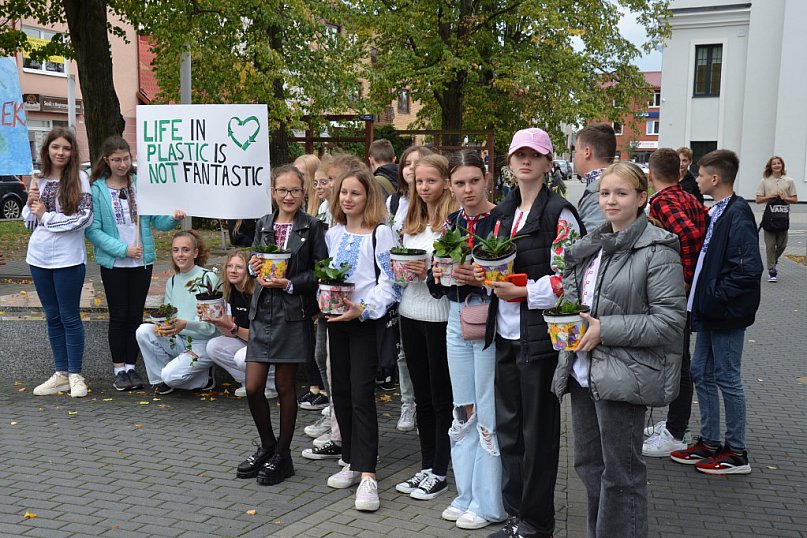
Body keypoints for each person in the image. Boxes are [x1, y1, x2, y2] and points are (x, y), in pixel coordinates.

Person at [551, 161, 687, 537]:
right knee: (589, 466)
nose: (611, 200)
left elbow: (670, 322)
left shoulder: (657, 250)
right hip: (584, 370)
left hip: (626, 377)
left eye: (621, 193)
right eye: (605, 193)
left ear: (641, 198)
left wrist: (604, 330)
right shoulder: (594, 245)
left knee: (622, 476)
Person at [479, 128, 583, 538]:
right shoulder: (504, 214)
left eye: (534, 155)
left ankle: (538, 523)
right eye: (519, 154)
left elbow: (569, 280)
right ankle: (516, 515)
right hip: (504, 333)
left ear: (546, 163)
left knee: (537, 435)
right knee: (509, 430)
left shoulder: (559, 213)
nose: (526, 161)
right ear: (509, 162)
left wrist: (524, 291)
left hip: (537, 338)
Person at [670, 149, 763, 475]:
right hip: (709, 312)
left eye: (700, 174)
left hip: (724, 314)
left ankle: (736, 452)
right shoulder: (717, 212)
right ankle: (709, 442)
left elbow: (747, 270)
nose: (696, 179)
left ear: (715, 178)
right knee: (701, 373)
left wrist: (711, 297)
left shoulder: (737, 214)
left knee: (727, 377)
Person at [237, 165, 327, 486]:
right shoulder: (263, 223)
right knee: (253, 387)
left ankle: (284, 455)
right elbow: (254, 260)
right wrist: (253, 264)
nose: (288, 196)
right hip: (263, 312)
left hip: (292, 312)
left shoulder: (314, 227)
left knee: (287, 388)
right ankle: (268, 446)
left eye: (295, 191)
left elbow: (320, 272)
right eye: (282, 190)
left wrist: (290, 283)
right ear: (273, 193)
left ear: (305, 193)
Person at [429, 149, 505, 530]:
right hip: (456, 322)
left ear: (486, 178)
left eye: (474, 180)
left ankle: (490, 502)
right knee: (464, 410)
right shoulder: (451, 223)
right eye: (459, 183)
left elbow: (511, 277)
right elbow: (435, 283)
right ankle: (466, 493)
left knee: (487, 412)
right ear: (450, 185)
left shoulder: (502, 219)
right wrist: (441, 273)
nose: (467, 189)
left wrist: (482, 279)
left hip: (490, 325)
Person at [324, 167, 398, 512]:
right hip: (336, 320)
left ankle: (368, 473)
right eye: (343, 193)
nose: (348, 199)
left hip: (365, 321)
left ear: (369, 197)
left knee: (360, 394)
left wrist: (365, 309)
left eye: (355, 193)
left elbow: (390, 283)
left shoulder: (380, 233)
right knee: (339, 390)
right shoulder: (334, 233)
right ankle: (351, 460)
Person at [85, 135, 185, 391]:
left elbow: (158, 222)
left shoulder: (141, 185)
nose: (122, 164)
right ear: (106, 160)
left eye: (126, 158)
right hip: (115, 263)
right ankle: (119, 369)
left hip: (141, 263)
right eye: (116, 160)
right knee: (119, 316)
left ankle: (132, 366)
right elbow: (93, 231)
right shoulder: (97, 188)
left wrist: (173, 218)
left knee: (135, 315)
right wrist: (123, 249)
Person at [394, 154, 457, 501]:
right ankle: (426, 465)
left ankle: (440, 470)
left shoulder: (453, 222)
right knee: (421, 397)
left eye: (431, 181)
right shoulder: (413, 219)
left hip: (441, 316)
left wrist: (429, 269)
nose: (425, 187)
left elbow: (453, 271)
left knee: (439, 397)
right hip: (410, 312)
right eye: (419, 182)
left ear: (446, 182)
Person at [642, 148, 706, 457]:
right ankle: (673, 424)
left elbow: (691, 236)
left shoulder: (664, 202)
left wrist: (685, 278)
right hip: (683, 294)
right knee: (678, 359)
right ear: (679, 173)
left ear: (650, 175)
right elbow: (703, 231)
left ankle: (676, 431)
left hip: (677, 295)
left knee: (677, 362)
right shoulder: (690, 198)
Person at [25, 127, 93, 398]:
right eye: (56, 148)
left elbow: (84, 218)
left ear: (72, 152)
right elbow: (30, 223)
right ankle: (60, 374)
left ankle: (76, 374)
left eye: (66, 148)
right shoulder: (38, 179)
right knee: (52, 316)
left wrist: (46, 216)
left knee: (69, 316)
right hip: (38, 257)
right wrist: (29, 204)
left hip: (68, 259)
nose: (61, 152)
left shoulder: (80, 178)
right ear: (47, 150)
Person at [135, 230, 218, 394]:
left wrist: (185, 324)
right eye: (176, 250)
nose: (180, 254)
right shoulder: (172, 281)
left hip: (203, 343)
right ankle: (163, 380)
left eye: (185, 250)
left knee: (170, 375)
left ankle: (203, 378)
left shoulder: (208, 278)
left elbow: (210, 328)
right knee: (143, 331)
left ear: (196, 252)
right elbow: (169, 315)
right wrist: (163, 325)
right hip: (179, 339)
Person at [387, 145, 433, 431]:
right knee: (404, 354)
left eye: (419, 164)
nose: (412, 168)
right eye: (408, 164)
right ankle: (409, 404)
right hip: (403, 291)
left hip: (433, 300)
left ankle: (427, 408)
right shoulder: (395, 203)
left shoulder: (437, 208)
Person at [204, 250, 277, 400]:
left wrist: (233, 327)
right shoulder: (229, 291)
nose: (232, 270)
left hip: (268, 345)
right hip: (248, 342)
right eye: (229, 266)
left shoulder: (257, 292)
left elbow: (261, 335)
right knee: (213, 346)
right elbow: (230, 332)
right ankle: (247, 382)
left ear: (249, 270)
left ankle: (270, 385)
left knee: (241, 357)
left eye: (239, 267)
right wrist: (217, 322)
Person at [294, 154, 329, 409]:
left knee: (319, 344)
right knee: (309, 341)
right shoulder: (305, 207)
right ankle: (315, 385)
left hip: (315, 281)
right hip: (304, 278)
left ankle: (323, 389)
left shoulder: (319, 209)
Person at [755, 155, 798, 282]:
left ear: (782, 165)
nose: (777, 165)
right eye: (774, 164)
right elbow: (758, 199)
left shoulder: (789, 181)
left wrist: (785, 198)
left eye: (779, 163)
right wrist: (771, 196)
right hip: (769, 217)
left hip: (783, 217)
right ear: (770, 166)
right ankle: (772, 270)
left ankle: (773, 259)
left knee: (782, 245)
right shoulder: (765, 181)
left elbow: (795, 199)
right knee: (770, 246)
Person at [575, 123, 616, 231]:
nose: (575, 156)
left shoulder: (601, 193)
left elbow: (594, 241)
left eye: (576, 151)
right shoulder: (618, 184)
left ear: (587, 152)